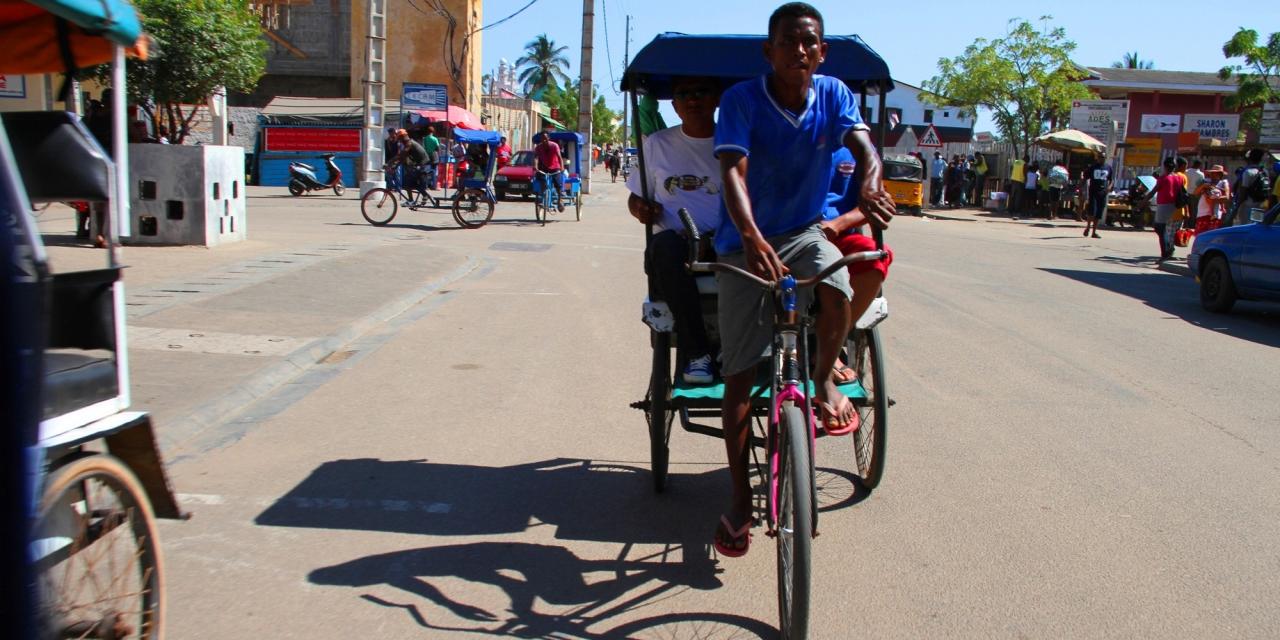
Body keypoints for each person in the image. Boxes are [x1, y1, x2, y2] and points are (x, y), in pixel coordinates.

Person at [710, 2, 894, 557]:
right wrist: (749, 237)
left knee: (838, 288)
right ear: (770, 51)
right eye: (789, 42)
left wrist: (871, 179)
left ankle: (821, 382)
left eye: (810, 42)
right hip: (742, 240)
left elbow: (865, 149)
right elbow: (732, 171)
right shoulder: (741, 99)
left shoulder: (835, 94)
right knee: (739, 376)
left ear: (822, 51)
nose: (800, 51)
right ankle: (741, 500)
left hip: (805, 231)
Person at [626, 76, 724, 386]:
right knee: (665, 247)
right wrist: (640, 208)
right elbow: (636, 196)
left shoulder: (734, 141)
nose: (693, 99)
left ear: (716, 99)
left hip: (728, 241)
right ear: (675, 104)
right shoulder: (657, 144)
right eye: (684, 94)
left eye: (701, 90)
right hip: (677, 246)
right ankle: (697, 353)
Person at [822, 146, 893, 385]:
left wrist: (838, 224)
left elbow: (875, 201)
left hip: (839, 234)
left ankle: (831, 345)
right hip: (791, 232)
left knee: (876, 258)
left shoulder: (858, 148)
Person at [1152, 157, 1185, 261]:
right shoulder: (1179, 178)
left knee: (1160, 229)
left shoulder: (1163, 178)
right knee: (1165, 230)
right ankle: (1169, 250)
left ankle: (1166, 253)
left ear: (1165, 166)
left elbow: (1153, 192)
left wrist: (1141, 203)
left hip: (1164, 206)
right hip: (1174, 206)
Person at [385, 129, 430, 200]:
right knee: (409, 180)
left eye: (400, 138)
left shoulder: (409, 144)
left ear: (403, 137)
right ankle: (420, 196)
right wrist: (394, 167)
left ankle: (415, 199)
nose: (400, 140)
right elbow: (403, 158)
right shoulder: (407, 144)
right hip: (420, 164)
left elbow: (400, 155)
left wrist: (389, 163)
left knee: (407, 182)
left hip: (423, 165)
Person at [1229, 148, 1270, 226]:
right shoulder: (1265, 172)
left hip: (1248, 207)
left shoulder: (1247, 172)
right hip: (1261, 206)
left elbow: (1243, 193)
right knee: (1257, 227)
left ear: (1249, 158)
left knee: (1245, 228)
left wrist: (1236, 208)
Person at [534, 132, 566, 212]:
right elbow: (536, 158)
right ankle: (541, 198)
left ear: (548, 138)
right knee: (540, 179)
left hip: (555, 167)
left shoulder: (554, 146)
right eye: (542, 138)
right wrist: (536, 166)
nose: (543, 140)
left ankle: (559, 199)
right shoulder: (538, 147)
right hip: (544, 168)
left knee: (558, 183)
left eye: (545, 138)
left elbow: (559, 157)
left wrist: (562, 167)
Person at [1193, 164, 1230, 235]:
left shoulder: (1223, 183)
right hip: (1203, 212)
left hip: (1215, 215)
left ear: (1220, 174)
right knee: (1200, 235)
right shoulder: (1205, 181)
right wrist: (1203, 186)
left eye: (1214, 173)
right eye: (1211, 172)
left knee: (1211, 236)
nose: (1212, 174)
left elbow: (1227, 197)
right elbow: (1195, 193)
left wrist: (1212, 200)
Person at [1082, 154, 1111, 238]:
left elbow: (1111, 179)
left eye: (1103, 158)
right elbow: (1085, 177)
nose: (1102, 159)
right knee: (1092, 211)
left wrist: (1109, 187)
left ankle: (1094, 232)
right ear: (1097, 158)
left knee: (1099, 213)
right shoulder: (1093, 167)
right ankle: (1088, 227)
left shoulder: (1108, 168)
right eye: (1100, 157)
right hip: (1093, 191)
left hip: (1103, 192)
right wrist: (1081, 186)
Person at [1184, 159, 1205, 230]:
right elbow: (1201, 184)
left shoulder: (1186, 171)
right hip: (1195, 194)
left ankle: (1185, 224)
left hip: (1186, 192)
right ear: (1199, 165)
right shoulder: (1201, 174)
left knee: (1185, 209)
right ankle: (1192, 225)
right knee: (1194, 210)